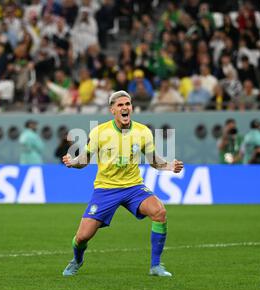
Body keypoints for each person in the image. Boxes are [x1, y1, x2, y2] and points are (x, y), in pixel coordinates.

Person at [61, 90, 184, 277]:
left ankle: (156, 266)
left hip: (133, 187)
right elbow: (84, 161)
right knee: (82, 237)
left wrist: (169, 166)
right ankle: (77, 260)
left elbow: (153, 161)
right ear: (112, 110)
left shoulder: (143, 132)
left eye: (128, 104)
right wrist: (72, 162)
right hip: (106, 188)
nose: (125, 108)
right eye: (120, 105)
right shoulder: (99, 132)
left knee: (159, 211)